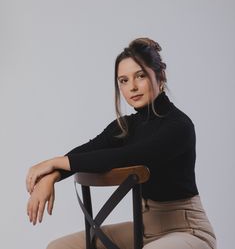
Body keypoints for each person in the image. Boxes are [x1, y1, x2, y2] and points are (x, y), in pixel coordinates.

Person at [26, 37, 217, 249]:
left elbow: (128, 157)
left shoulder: (178, 126)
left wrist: (54, 162)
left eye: (140, 76)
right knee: (58, 247)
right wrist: (51, 177)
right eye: (123, 81)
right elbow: (89, 151)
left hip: (187, 229)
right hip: (146, 228)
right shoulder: (126, 126)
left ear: (160, 77)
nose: (132, 87)